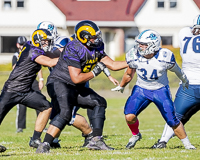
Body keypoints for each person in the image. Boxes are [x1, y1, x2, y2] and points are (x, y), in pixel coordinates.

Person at [36, 20, 128, 153]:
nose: (96, 39)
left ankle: (96, 140)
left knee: (99, 102)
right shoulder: (73, 47)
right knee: (65, 113)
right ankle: (44, 145)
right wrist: (94, 72)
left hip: (74, 85)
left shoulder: (97, 46)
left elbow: (112, 64)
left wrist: (132, 61)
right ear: (84, 37)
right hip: (59, 82)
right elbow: (76, 77)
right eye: (93, 37)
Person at [111, 29, 196, 150]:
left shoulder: (164, 56)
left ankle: (187, 144)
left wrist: (184, 79)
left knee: (172, 120)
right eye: (139, 43)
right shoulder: (134, 55)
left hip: (160, 90)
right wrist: (122, 85)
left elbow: (176, 69)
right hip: (141, 89)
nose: (140, 47)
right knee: (129, 116)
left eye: (144, 44)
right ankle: (136, 135)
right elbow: (129, 74)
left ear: (153, 45)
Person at [0, 28, 58, 151]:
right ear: (38, 41)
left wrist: (64, 53)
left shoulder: (31, 45)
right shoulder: (34, 52)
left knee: (46, 107)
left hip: (25, 91)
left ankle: (35, 139)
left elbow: (52, 54)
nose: (47, 43)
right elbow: (51, 62)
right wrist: (70, 57)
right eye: (45, 41)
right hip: (12, 89)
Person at [151, 14, 200, 149]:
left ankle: (163, 141)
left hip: (188, 84)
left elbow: (191, 31)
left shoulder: (184, 33)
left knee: (175, 115)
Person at [13, 36, 44, 133]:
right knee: (21, 105)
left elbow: (38, 67)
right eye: (21, 44)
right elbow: (15, 68)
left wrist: (41, 80)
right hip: (21, 82)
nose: (22, 46)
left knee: (40, 102)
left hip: (32, 80)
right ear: (17, 45)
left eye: (24, 44)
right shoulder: (16, 55)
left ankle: (42, 125)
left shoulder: (32, 52)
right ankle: (20, 127)